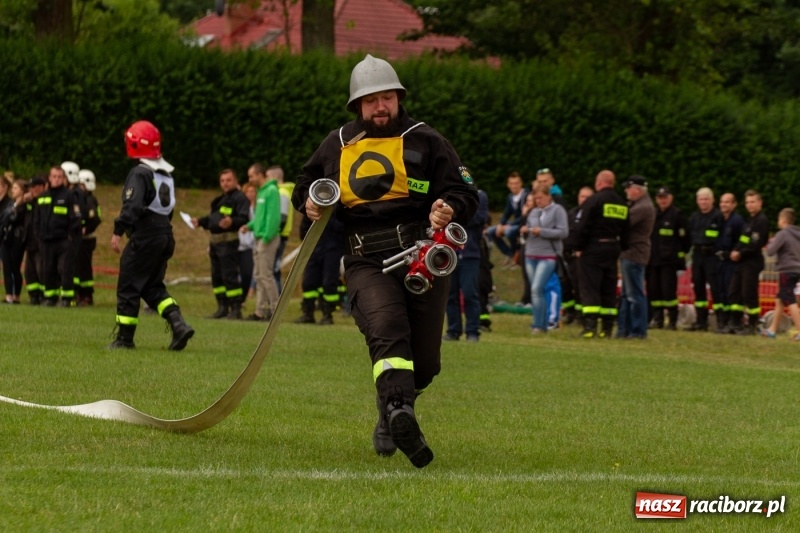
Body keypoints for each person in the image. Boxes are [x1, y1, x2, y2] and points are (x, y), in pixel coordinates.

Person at [292, 54, 478, 468]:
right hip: (365, 260)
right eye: (371, 100)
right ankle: (398, 410)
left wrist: (449, 206)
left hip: (422, 257)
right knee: (388, 329)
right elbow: (307, 182)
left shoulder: (427, 140)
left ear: (399, 98)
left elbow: (467, 192)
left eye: (388, 97)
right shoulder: (337, 143)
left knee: (425, 364)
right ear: (357, 105)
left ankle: (390, 409)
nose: (381, 107)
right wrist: (307, 202)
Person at [108, 120, 194, 350]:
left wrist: (118, 230)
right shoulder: (166, 174)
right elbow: (169, 209)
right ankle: (178, 324)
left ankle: (124, 339)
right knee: (151, 286)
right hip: (165, 233)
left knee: (128, 286)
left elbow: (133, 205)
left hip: (145, 236)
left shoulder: (140, 173)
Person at [573, 170, 629, 338]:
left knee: (590, 287)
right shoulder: (621, 203)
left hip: (593, 249)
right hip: (613, 249)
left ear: (599, 183)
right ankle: (607, 329)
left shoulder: (594, 201)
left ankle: (590, 328)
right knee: (608, 289)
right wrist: (622, 247)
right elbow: (626, 229)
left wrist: (578, 247)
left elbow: (583, 226)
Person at [192, 169, 250, 319]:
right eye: (222, 180)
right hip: (215, 243)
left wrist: (232, 221)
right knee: (216, 276)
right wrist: (200, 221)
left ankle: (236, 309)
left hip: (228, 242)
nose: (225, 183)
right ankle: (222, 308)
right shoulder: (219, 200)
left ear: (236, 181)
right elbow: (213, 219)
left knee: (229, 276)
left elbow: (244, 218)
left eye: (228, 180)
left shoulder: (240, 198)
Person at [520, 182, 569, 334]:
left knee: (537, 288)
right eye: (536, 198)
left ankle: (539, 325)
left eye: (541, 198)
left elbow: (563, 232)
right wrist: (525, 231)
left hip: (548, 255)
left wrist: (541, 231)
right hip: (530, 253)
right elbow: (529, 227)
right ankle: (539, 323)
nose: (538, 201)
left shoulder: (557, 210)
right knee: (537, 290)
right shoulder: (533, 212)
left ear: (548, 196)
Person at [444, 186, 489, 341]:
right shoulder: (447, 196)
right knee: (450, 295)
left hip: (470, 254)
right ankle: (453, 330)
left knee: (470, 293)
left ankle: (472, 331)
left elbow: (477, 219)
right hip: (450, 254)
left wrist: (454, 213)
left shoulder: (480, 196)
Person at [241, 163, 281, 322]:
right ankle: (260, 311)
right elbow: (260, 218)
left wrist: (266, 237)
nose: (250, 179)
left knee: (266, 275)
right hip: (259, 238)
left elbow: (273, 218)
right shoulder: (261, 192)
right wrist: (249, 226)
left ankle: (275, 310)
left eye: (251, 176)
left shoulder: (271, 191)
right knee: (258, 275)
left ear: (259, 174)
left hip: (267, 239)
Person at [617, 176, 655, 339]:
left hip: (634, 254)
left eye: (628, 188)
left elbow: (622, 224)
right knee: (627, 294)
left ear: (637, 189)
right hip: (630, 254)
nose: (626, 191)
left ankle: (638, 330)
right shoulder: (639, 205)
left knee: (635, 294)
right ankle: (624, 329)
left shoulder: (643, 207)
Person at [36, 165, 81, 307]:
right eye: (54, 176)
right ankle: (50, 297)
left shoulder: (69, 195)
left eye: (59, 177)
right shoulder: (42, 197)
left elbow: (76, 217)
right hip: (46, 240)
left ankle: (67, 298)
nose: (56, 179)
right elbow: (36, 219)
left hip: (63, 240)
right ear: (49, 178)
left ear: (63, 179)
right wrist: (39, 235)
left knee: (64, 268)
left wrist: (70, 235)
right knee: (47, 268)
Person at [646, 186, 690, 330]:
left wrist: (678, 255)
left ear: (670, 198)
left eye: (665, 197)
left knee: (668, 291)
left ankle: (672, 321)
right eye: (659, 197)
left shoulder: (677, 215)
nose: (662, 200)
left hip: (669, 262)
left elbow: (685, 240)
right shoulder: (653, 214)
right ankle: (657, 319)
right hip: (653, 260)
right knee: (654, 290)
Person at [727, 189, 769, 334]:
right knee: (735, 292)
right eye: (747, 202)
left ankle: (752, 324)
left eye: (753, 202)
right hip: (742, 262)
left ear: (760, 203)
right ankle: (735, 323)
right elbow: (743, 240)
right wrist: (735, 250)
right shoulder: (749, 221)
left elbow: (755, 244)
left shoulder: (761, 221)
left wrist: (740, 252)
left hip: (752, 262)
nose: (749, 205)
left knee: (748, 293)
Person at [294, 213, 345, 325]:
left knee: (329, 282)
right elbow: (306, 222)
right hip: (314, 246)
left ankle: (327, 314)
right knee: (309, 281)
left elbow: (342, 225)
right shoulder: (315, 201)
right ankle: (308, 313)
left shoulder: (337, 205)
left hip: (333, 247)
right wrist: (305, 239)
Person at [686, 187, 724, 332]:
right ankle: (701, 321)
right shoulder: (695, 217)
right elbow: (690, 237)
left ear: (712, 200)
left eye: (706, 199)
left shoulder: (717, 216)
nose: (703, 202)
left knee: (716, 288)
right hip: (698, 255)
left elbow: (720, 237)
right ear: (697, 201)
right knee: (698, 288)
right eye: (701, 199)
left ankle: (720, 321)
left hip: (712, 256)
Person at [763, 208, 800, 339]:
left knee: (789, 299)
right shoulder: (798, 233)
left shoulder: (783, 233)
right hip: (796, 270)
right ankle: (772, 330)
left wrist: (771, 241)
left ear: (783, 220)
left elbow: (770, 251)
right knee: (780, 300)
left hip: (786, 269)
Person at [562, 186, 594, 324]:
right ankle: (570, 312)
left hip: (583, 256)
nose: (584, 199)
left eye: (587, 197)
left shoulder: (594, 215)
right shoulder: (571, 213)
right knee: (566, 284)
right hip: (567, 255)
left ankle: (581, 315)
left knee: (581, 286)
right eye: (582, 196)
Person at [714, 192, 745, 333]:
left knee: (731, 292)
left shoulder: (737, 221)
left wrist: (737, 250)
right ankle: (723, 322)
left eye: (727, 202)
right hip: (720, 261)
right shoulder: (720, 219)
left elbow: (743, 239)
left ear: (734, 204)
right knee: (721, 292)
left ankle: (735, 322)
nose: (723, 205)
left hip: (732, 262)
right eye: (722, 202)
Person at [485, 171, 527, 267]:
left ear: (521, 183)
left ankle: (517, 253)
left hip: (523, 223)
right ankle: (510, 254)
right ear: (508, 185)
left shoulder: (526, 195)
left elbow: (525, 216)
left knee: (509, 232)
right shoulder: (510, 197)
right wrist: (500, 224)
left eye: (516, 183)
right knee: (491, 231)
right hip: (514, 223)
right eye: (511, 183)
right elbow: (506, 213)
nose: (514, 186)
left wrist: (509, 225)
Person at [75, 168, 101, 306]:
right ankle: (81, 294)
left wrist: (85, 229)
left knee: (84, 267)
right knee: (79, 266)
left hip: (86, 240)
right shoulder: (84, 198)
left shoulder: (90, 200)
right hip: (82, 239)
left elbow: (95, 218)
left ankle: (86, 295)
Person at [0, 179, 29, 304]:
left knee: (14, 267)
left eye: (16, 188)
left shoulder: (22, 206)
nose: (13, 190)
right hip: (6, 238)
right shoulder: (12, 205)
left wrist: (11, 213)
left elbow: (13, 218)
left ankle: (16, 295)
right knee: (6, 267)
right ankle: (8, 295)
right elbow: (5, 219)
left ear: (22, 191)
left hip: (16, 239)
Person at [22, 176, 47, 305]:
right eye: (30, 187)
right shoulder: (29, 202)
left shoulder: (45, 201)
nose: (31, 190)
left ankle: (43, 296)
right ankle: (33, 296)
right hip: (29, 242)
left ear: (42, 187)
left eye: (34, 187)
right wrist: (23, 202)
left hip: (41, 243)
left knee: (41, 270)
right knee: (29, 272)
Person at [269, 165, 294, 293]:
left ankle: (276, 300)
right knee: (273, 268)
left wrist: (274, 233)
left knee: (273, 269)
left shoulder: (282, 193)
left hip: (278, 235)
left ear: (274, 177)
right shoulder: (280, 192)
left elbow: (283, 217)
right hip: (279, 234)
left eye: (267, 177)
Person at [238, 181, 256, 305]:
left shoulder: (258, 208)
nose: (250, 194)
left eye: (253, 191)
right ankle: (235, 302)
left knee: (247, 273)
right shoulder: (240, 207)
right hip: (238, 244)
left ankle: (242, 299)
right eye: (248, 191)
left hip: (250, 246)